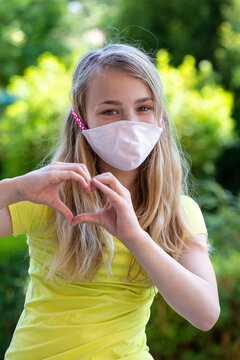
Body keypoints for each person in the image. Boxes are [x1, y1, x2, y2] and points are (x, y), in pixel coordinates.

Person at [0, 43, 220, 360]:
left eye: (143, 107)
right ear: (82, 120)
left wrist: (134, 236)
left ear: (160, 116)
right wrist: (15, 188)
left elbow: (205, 314)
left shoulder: (178, 212)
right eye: (110, 111)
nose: (130, 122)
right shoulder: (51, 195)